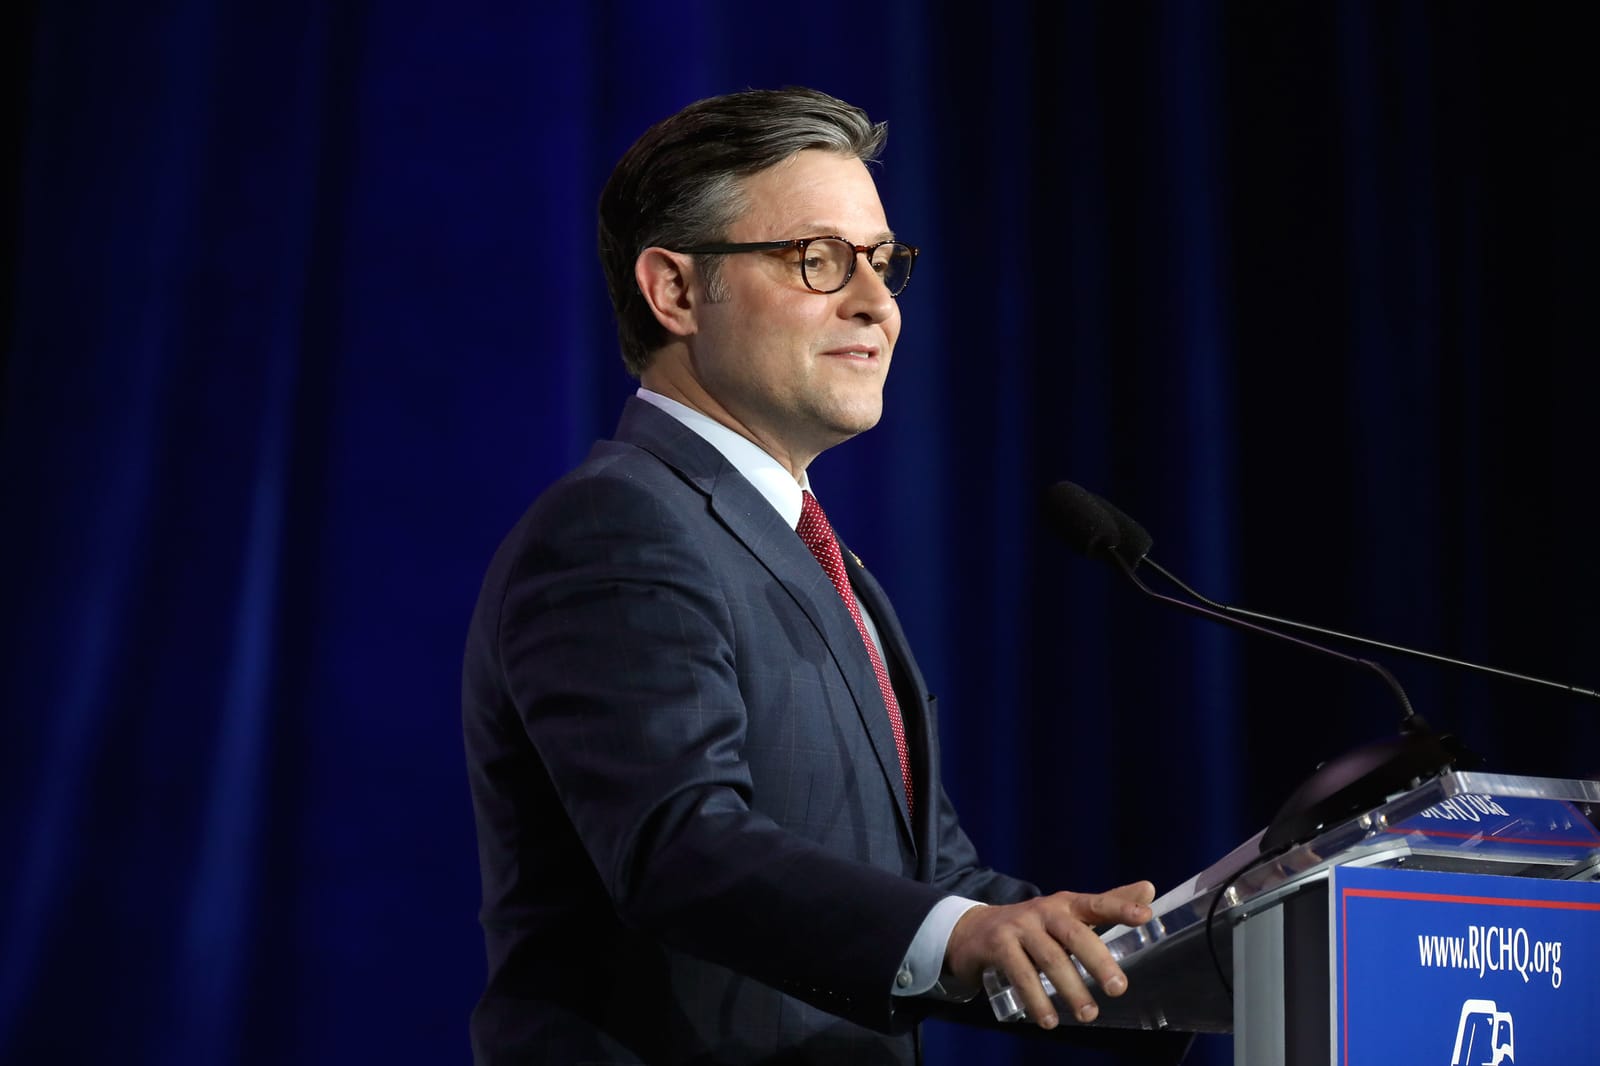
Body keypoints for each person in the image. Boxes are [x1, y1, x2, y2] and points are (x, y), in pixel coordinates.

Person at [462, 87, 1160, 1065]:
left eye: (884, 262)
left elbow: (926, 884)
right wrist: (961, 932)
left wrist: (1149, 961)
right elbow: (679, 845)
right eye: (818, 259)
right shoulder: (616, 527)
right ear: (674, 292)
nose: (877, 302)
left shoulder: (817, 556)